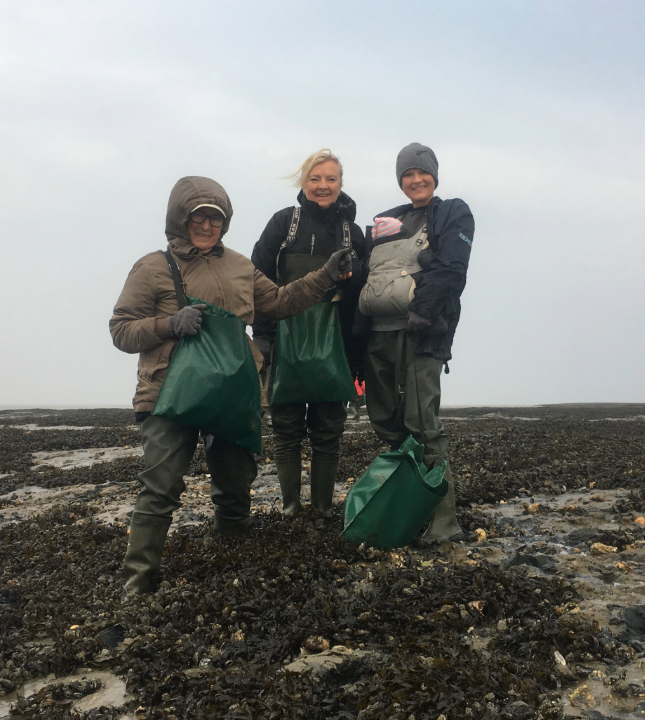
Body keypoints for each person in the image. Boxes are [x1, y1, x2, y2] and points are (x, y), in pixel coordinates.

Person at [109, 176, 351, 596]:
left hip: (233, 394)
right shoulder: (152, 267)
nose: (207, 226)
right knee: (161, 485)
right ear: (180, 219)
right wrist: (169, 324)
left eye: (216, 219)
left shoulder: (240, 265)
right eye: (198, 217)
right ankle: (138, 580)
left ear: (225, 223)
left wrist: (324, 276)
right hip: (169, 394)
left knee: (236, 483)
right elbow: (121, 330)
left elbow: (278, 302)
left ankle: (231, 562)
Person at [357, 143, 474, 543]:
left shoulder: (452, 212)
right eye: (407, 174)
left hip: (423, 334)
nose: (415, 180)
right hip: (379, 335)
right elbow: (368, 274)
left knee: (423, 423)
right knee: (385, 421)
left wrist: (422, 311)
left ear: (434, 176)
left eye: (422, 173)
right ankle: (408, 508)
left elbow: (452, 269)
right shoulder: (388, 220)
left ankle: (445, 521)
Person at [250, 149, 368, 516]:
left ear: (341, 184)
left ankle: (321, 508)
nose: (323, 185)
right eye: (315, 179)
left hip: (334, 342)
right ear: (303, 184)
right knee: (285, 429)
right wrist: (264, 338)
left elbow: (362, 291)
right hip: (285, 337)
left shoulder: (354, 233)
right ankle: (289, 507)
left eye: (330, 179)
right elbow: (256, 277)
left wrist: (354, 275)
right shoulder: (283, 223)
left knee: (328, 430)